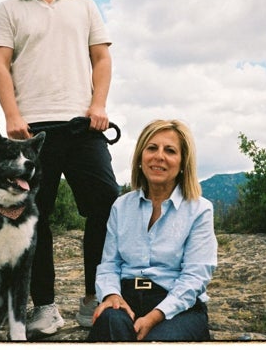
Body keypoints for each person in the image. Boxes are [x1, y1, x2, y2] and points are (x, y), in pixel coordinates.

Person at [0, 0, 121, 338]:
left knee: (106, 205)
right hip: (31, 131)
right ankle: (43, 306)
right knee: (33, 218)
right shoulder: (10, 9)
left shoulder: (85, 6)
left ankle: (95, 298)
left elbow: (102, 59)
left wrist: (98, 106)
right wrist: (11, 115)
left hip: (83, 126)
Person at [87, 119, 217, 342]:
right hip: (125, 298)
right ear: (140, 157)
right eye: (152, 148)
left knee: (157, 340)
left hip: (176, 305)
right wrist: (111, 295)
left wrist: (155, 317)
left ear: (183, 162)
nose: (159, 156)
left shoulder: (199, 209)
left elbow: (194, 277)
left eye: (170, 151)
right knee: (110, 323)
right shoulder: (121, 206)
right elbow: (110, 264)